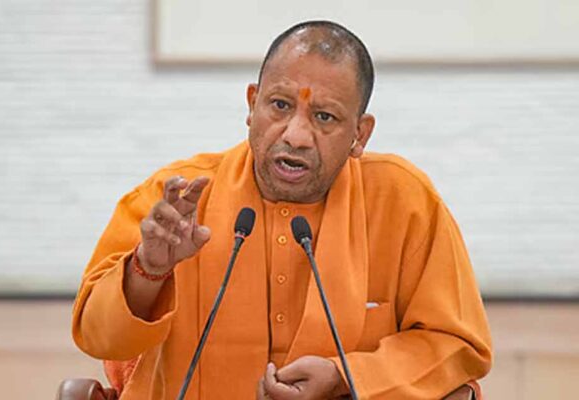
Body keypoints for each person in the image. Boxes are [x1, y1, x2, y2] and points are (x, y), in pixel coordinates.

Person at [72, 20, 492, 400]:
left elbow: (457, 345)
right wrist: (148, 269)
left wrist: (347, 376)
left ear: (359, 135)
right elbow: (96, 338)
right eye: (280, 105)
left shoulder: (402, 202)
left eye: (324, 116)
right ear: (251, 104)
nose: (296, 135)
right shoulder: (178, 200)